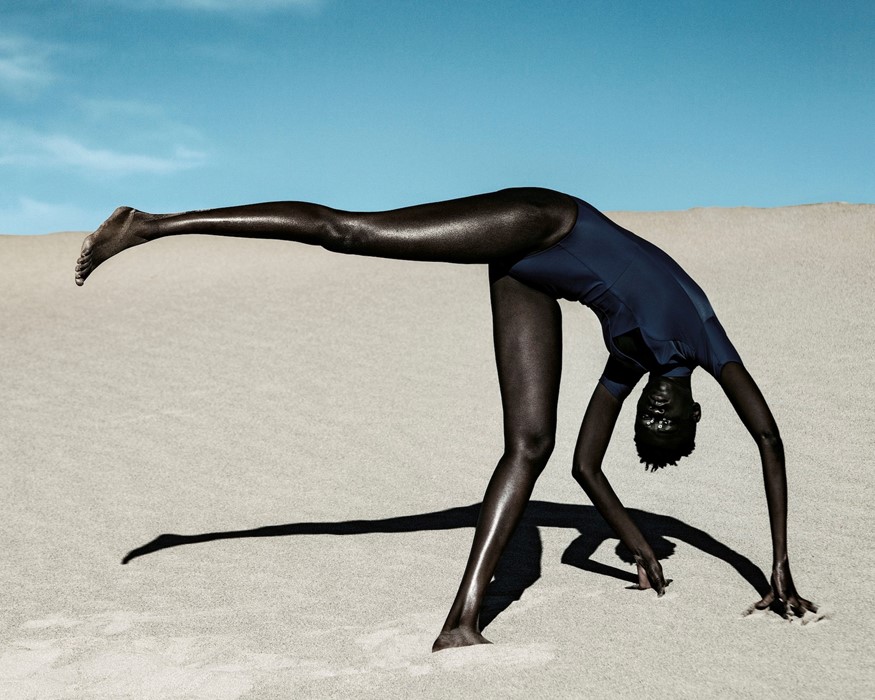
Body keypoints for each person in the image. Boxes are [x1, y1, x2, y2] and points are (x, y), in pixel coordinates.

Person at [74, 187, 816, 651]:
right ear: (691, 411)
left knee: (530, 445)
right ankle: (152, 224)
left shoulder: (628, 362)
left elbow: (585, 467)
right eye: (665, 416)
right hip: (548, 223)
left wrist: (631, 541)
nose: (652, 412)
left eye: (646, 424)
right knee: (351, 231)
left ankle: (461, 620)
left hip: (533, 278)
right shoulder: (708, 343)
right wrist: (778, 567)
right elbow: (768, 438)